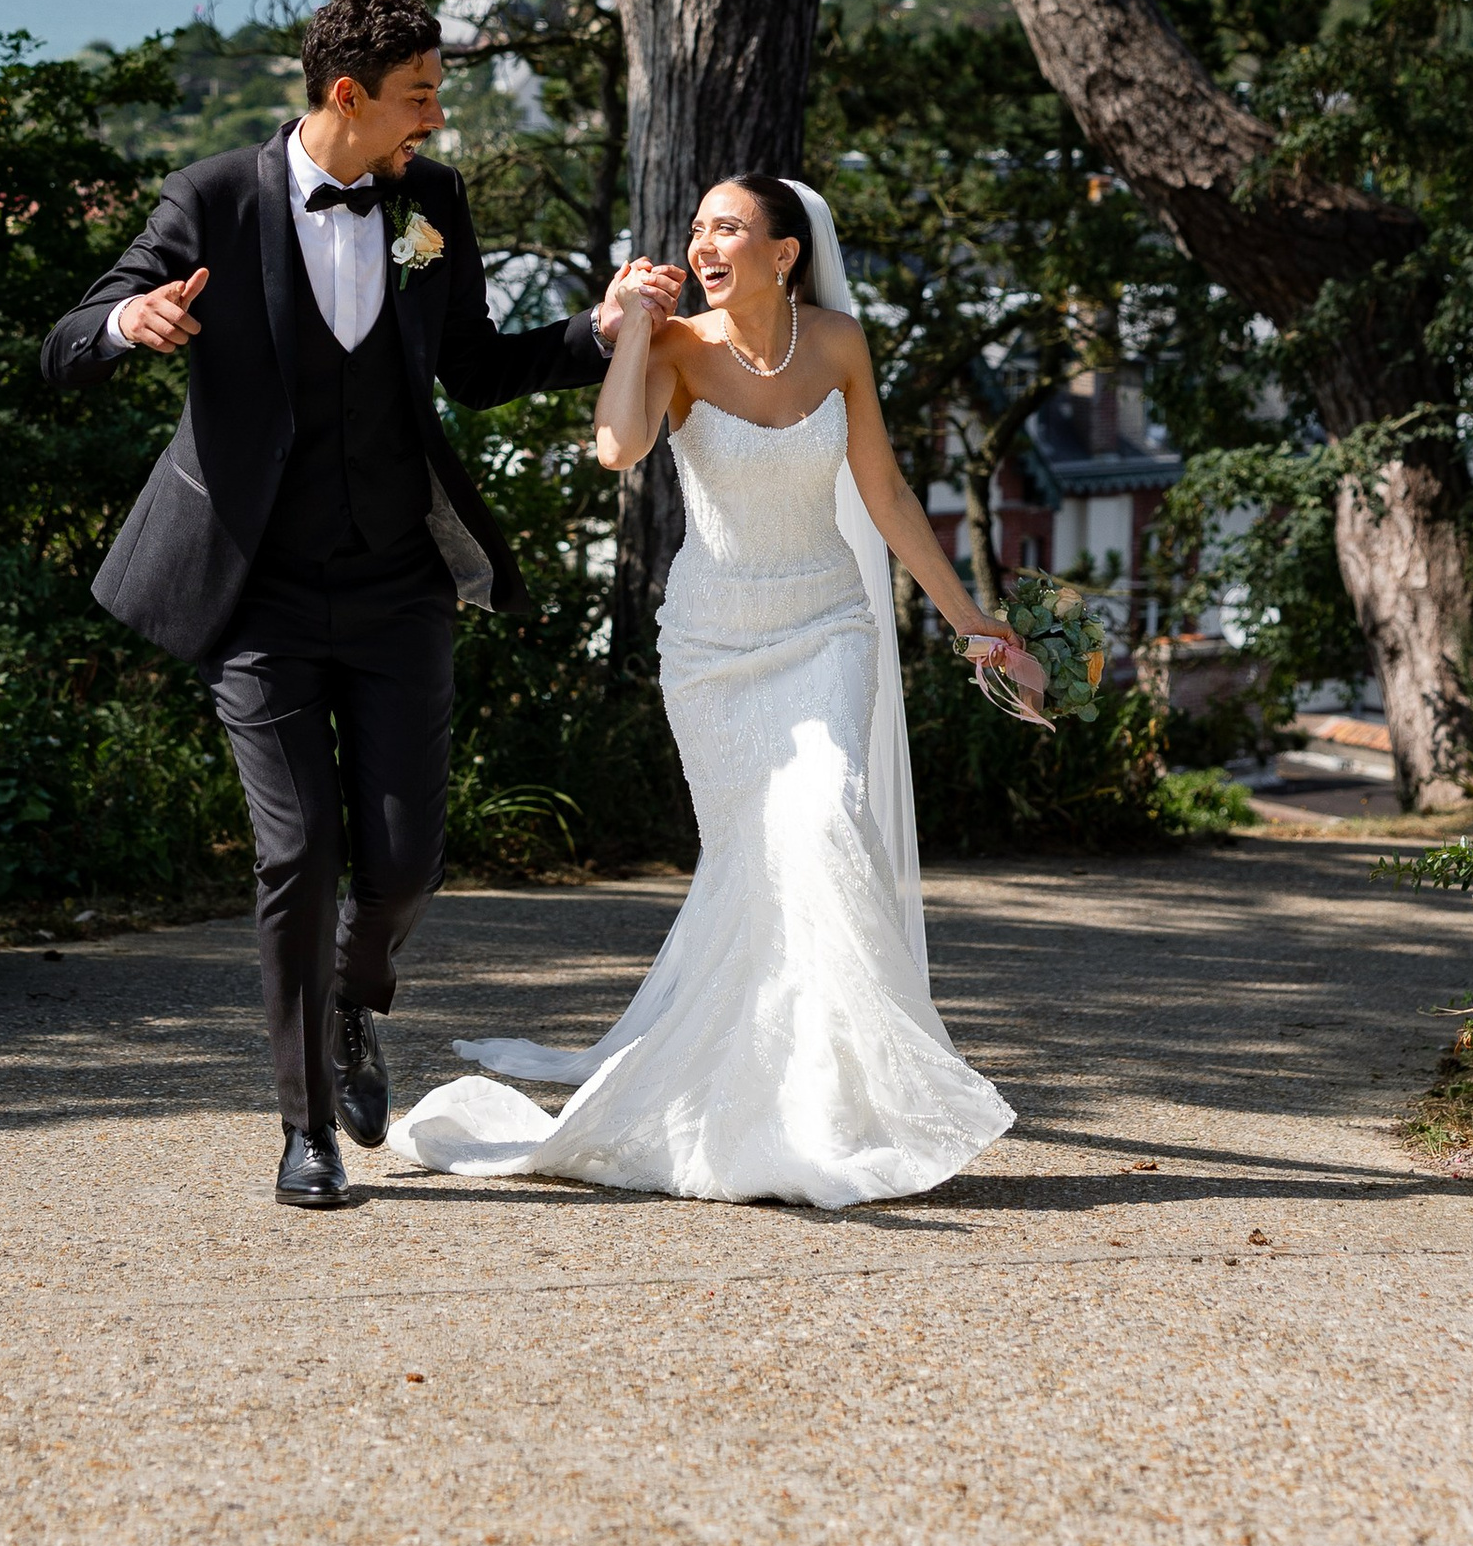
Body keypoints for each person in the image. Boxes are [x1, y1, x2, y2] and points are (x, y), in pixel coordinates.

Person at [41, 0, 671, 1211]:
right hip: (256, 595)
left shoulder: (429, 205)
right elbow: (63, 342)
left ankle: (350, 1005)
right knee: (300, 853)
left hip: (398, 587)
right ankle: (304, 1131)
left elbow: (478, 371)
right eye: (421, 95)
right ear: (349, 96)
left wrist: (594, 332)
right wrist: (131, 318)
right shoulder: (212, 198)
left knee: (403, 863)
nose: (437, 115)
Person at [391, 173, 1041, 1211]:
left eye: (728, 227)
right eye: (696, 228)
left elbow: (883, 492)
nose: (703, 242)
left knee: (824, 821)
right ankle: (753, 1108)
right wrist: (637, 335)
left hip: (827, 628)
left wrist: (976, 626)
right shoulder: (683, 350)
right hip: (713, 650)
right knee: (760, 862)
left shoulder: (836, 344)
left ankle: (835, 1108)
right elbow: (616, 448)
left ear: (783, 252)